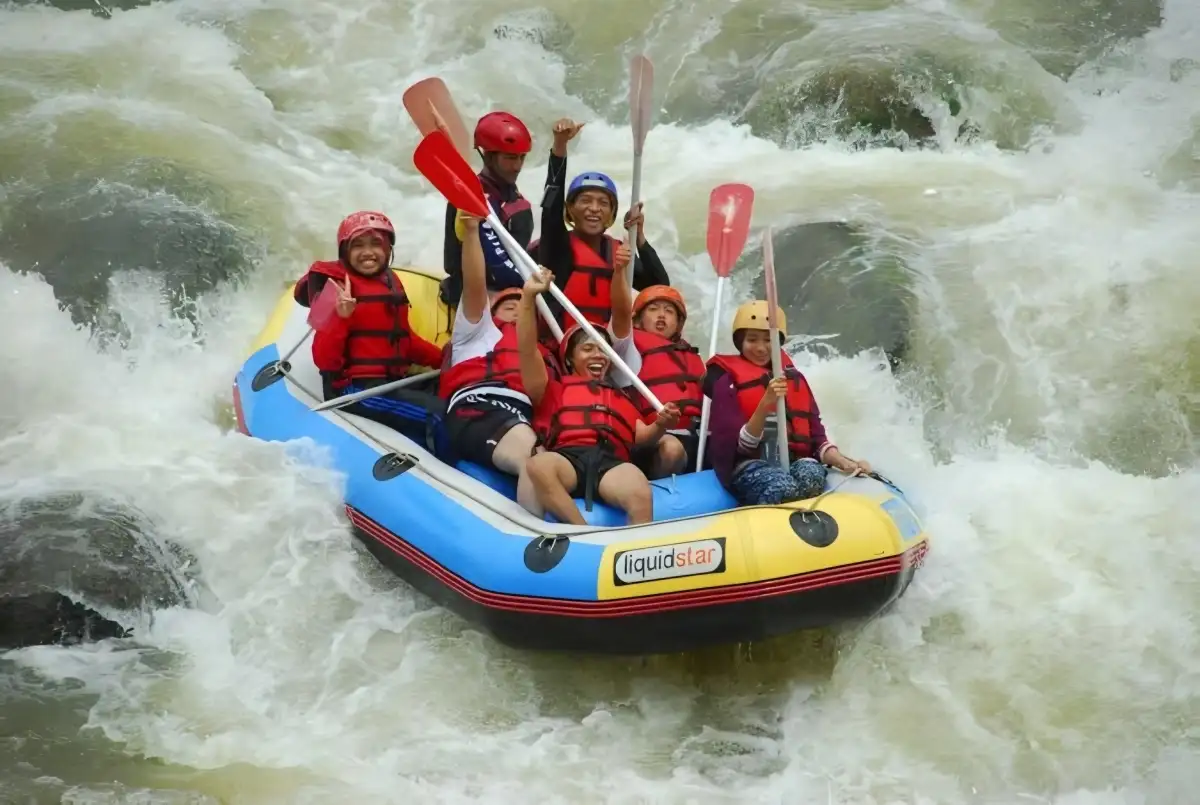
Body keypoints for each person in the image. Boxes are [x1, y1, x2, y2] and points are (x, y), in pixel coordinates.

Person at [516, 269, 680, 525]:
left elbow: (643, 436)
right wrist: (528, 298)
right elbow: (526, 349)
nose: (598, 356)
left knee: (638, 490)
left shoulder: (620, 396)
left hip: (610, 462)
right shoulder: (552, 388)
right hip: (568, 458)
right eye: (588, 349)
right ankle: (581, 532)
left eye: (604, 351)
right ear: (569, 360)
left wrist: (661, 424)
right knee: (539, 466)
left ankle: (634, 555)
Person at [294, 211, 445, 446]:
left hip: (393, 381)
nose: (367, 252)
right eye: (358, 246)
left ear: (388, 250)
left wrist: (444, 359)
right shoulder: (335, 289)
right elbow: (324, 361)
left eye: (376, 244)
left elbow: (405, 340)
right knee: (439, 414)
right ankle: (451, 470)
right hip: (356, 391)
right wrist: (341, 317)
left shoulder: (389, 282)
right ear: (345, 252)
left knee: (457, 393)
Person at [437, 210, 556, 510]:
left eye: (523, 305)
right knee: (535, 462)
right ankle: (536, 538)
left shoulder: (542, 353)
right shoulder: (476, 331)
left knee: (545, 456)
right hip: (477, 408)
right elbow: (475, 283)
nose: (517, 310)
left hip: (519, 415)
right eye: (509, 305)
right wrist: (473, 231)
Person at [705, 301, 872, 505]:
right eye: (752, 340)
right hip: (750, 465)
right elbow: (742, 447)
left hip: (793, 462)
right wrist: (766, 403)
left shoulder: (796, 380)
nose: (760, 348)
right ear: (740, 342)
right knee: (783, 489)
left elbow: (817, 440)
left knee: (811, 478)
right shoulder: (727, 382)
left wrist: (846, 463)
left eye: (768, 340)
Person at [533, 118, 670, 328]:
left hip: (606, 349)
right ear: (570, 209)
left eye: (603, 203)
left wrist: (639, 238)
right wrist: (560, 146)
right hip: (563, 347)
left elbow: (659, 287)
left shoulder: (617, 253)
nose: (594, 208)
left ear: (611, 213)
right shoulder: (557, 246)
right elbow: (551, 207)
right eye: (585, 200)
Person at [440, 112, 536, 307]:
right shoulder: (469, 198)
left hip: (508, 292)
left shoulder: (515, 200)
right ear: (489, 156)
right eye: (510, 158)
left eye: (521, 158)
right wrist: (533, 282)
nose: (517, 166)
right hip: (474, 298)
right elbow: (498, 268)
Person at [628, 285, 705, 478]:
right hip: (653, 438)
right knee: (671, 449)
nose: (661, 315)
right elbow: (618, 322)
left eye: (669, 311)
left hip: (697, 436)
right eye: (653, 310)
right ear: (637, 320)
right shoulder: (628, 349)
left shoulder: (691, 356)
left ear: (678, 324)